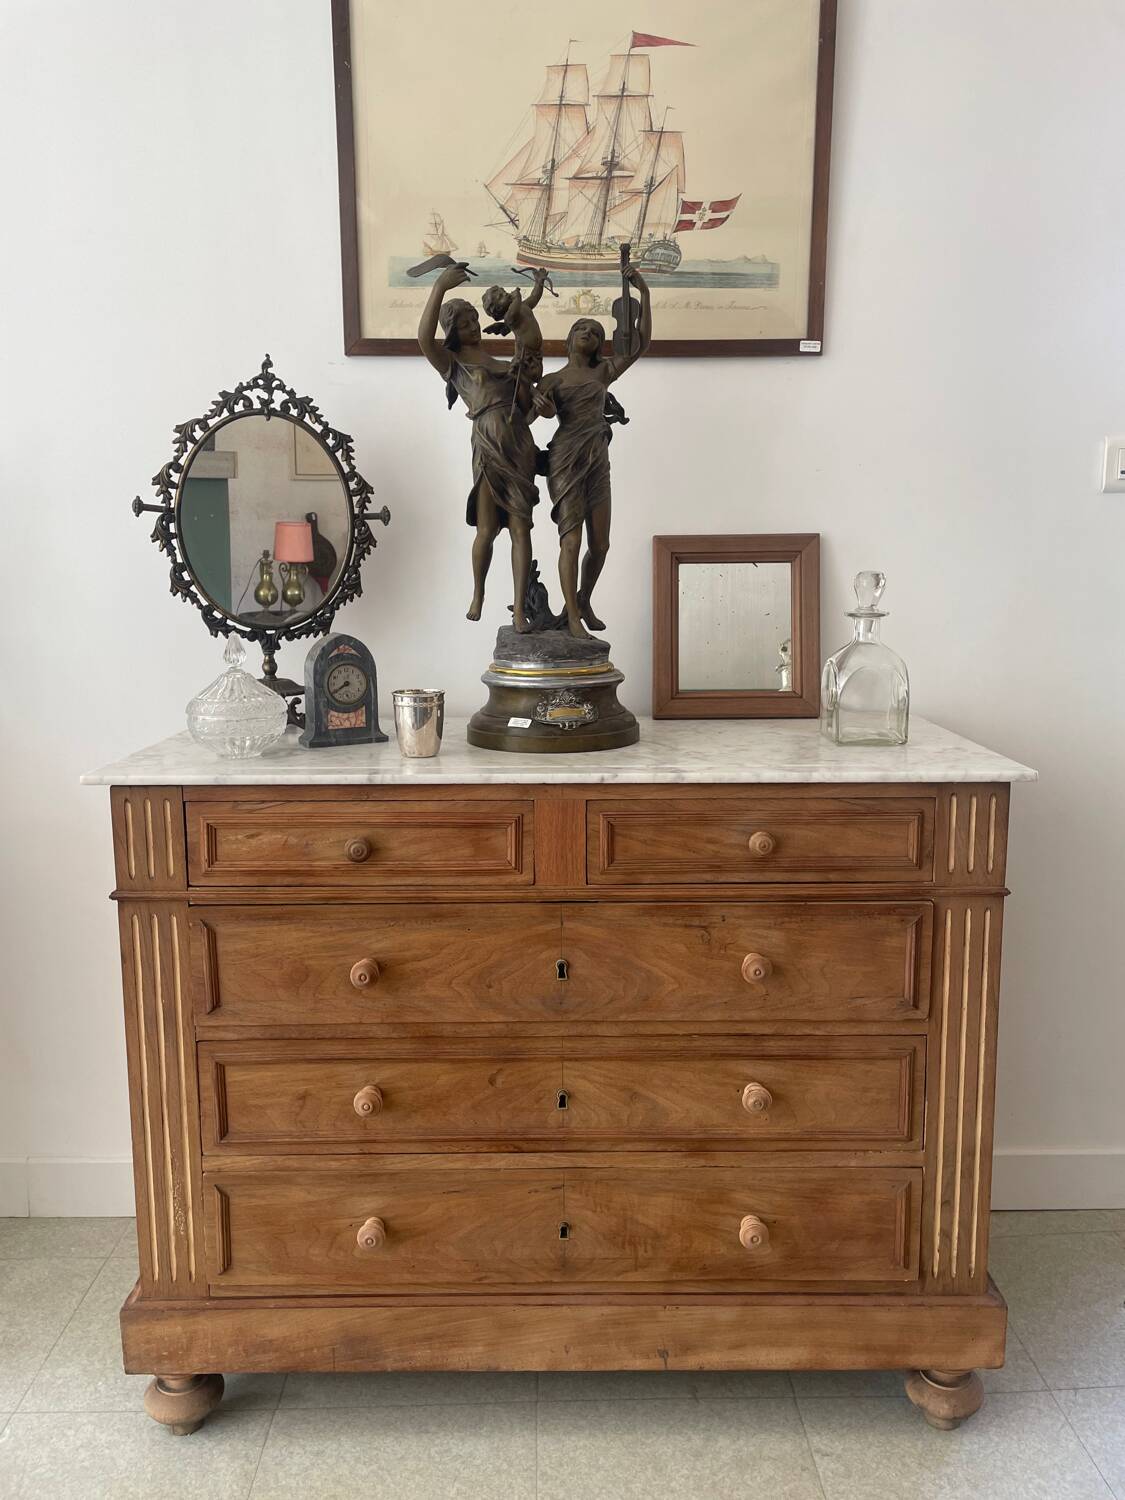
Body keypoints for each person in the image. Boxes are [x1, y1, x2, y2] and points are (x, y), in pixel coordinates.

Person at [417, 265, 543, 630]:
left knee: (522, 528)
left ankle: (519, 609)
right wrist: (439, 286)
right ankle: (479, 592)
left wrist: (538, 402)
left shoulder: (505, 362)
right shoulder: (453, 364)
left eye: (475, 320)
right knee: (486, 528)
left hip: (518, 443)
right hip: (487, 444)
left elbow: (528, 408)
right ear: (453, 331)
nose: (473, 326)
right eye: (466, 322)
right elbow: (424, 339)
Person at [534, 265, 651, 638]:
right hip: (565, 458)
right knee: (571, 539)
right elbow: (540, 410)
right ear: (569, 339)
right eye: (581, 329)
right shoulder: (552, 379)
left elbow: (639, 344)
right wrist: (543, 407)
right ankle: (571, 618)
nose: (588, 333)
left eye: (596, 332)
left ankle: (582, 600)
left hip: (598, 460)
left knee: (600, 543)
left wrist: (644, 295)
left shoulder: (602, 373)